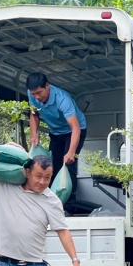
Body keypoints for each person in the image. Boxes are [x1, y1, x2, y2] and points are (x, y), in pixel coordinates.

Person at [26, 71, 87, 212]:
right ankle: (50, 202)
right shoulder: (32, 94)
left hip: (74, 130)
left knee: (68, 165)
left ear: (47, 86)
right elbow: (34, 114)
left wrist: (71, 152)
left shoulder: (62, 99)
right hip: (56, 132)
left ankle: (69, 208)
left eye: (39, 93)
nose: (37, 97)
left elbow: (75, 128)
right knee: (51, 165)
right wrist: (34, 134)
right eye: (33, 94)